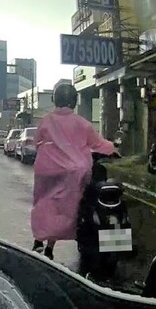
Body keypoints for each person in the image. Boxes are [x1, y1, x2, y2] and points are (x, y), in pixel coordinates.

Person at [31, 82, 118, 260]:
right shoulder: (82, 123)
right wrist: (113, 149)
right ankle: (51, 246)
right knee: (73, 205)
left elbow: (36, 142)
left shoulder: (46, 120)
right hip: (77, 171)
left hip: (47, 171)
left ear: (55, 99)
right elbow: (98, 143)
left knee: (44, 204)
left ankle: (40, 241)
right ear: (74, 100)